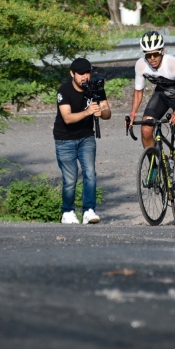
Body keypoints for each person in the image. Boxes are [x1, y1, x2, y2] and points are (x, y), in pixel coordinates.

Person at [126, 31, 175, 210]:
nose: (152, 58)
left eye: (155, 54)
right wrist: (133, 113)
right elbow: (139, 91)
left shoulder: (174, 64)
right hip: (162, 96)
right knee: (146, 129)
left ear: (162, 51)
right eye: (148, 55)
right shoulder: (141, 65)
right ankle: (154, 166)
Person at [53, 58, 111, 224]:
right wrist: (88, 112)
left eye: (87, 72)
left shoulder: (96, 87)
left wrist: (101, 111)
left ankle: (89, 210)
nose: (85, 76)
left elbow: (108, 113)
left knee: (90, 174)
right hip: (65, 140)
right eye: (81, 73)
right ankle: (67, 212)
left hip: (86, 137)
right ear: (72, 74)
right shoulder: (64, 91)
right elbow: (67, 118)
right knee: (70, 179)